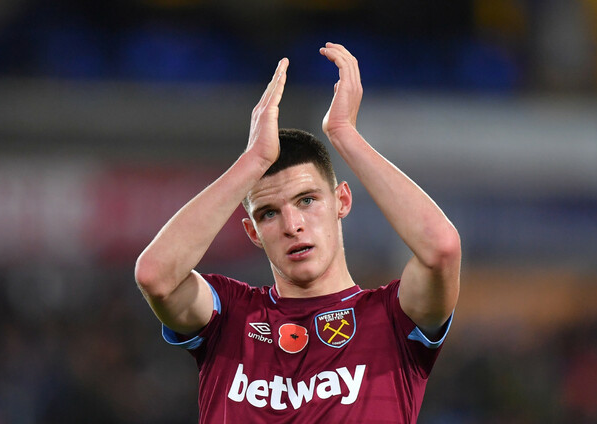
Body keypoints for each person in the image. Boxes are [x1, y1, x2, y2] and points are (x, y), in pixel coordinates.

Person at [135, 42, 461, 423]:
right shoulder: (230, 316)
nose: (292, 226)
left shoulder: (393, 319)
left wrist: (345, 135)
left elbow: (441, 249)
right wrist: (252, 162)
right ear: (253, 232)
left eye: (307, 200)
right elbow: (155, 276)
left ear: (342, 201)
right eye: (269, 213)